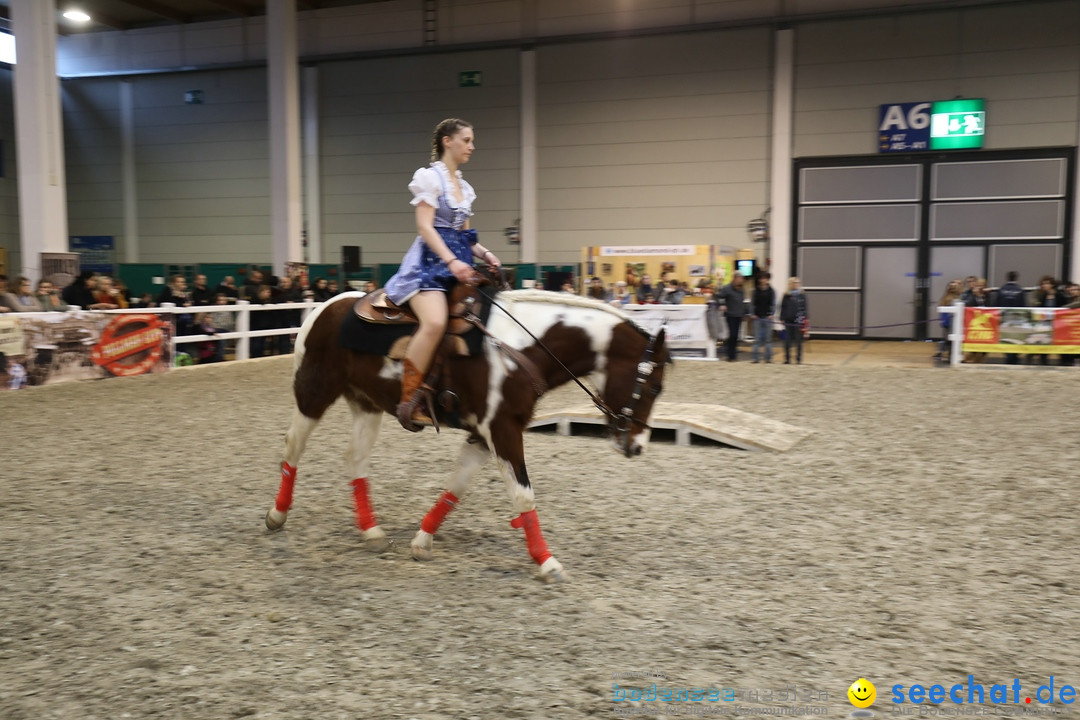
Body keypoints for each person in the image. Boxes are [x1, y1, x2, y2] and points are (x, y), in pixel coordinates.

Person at [382, 118, 501, 431]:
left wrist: (485, 254)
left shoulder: (464, 188)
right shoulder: (429, 178)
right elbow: (424, 226)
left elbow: (465, 236)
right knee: (434, 322)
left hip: (458, 264)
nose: (472, 146)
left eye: (472, 141)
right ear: (448, 141)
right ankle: (408, 399)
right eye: (466, 140)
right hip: (429, 266)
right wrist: (451, 262)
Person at [995, 271, 1026, 365]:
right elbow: (1023, 305)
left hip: (1005, 317)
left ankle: (1008, 355)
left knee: (1006, 337)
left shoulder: (1001, 289)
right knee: (1015, 337)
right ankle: (1014, 355)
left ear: (1007, 278)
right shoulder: (1020, 290)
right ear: (1016, 278)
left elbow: (997, 303)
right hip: (1016, 318)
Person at [716, 272, 747, 362]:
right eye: (740, 278)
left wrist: (744, 313)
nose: (742, 280)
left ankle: (733, 356)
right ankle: (730, 355)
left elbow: (742, 302)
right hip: (730, 315)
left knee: (736, 336)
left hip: (739, 315)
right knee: (732, 335)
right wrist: (721, 305)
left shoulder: (742, 289)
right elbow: (717, 296)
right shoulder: (727, 288)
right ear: (735, 278)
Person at [779, 277, 808, 365]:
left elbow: (805, 308)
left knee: (799, 341)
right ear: (790, 284)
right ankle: (787, 358)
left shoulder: (802, 295)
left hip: (798, 320)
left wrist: (805, 319)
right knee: (787, 340)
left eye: (796, 283)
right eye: (793, 283)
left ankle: (798, 359)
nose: (795, 284)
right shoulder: (786, 295)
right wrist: (782, 318)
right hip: (788, 320)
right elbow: (783, 307)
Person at [750, 272, 776, 363]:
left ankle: (768, 358)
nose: (763, 280)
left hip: (768, 318)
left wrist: (772, 314)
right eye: (761, 278)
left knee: (768, 340)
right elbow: (752, 304)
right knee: (757, 339)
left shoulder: (771, 291)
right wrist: (752, 314)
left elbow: (773, 304)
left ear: (767, 279)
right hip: (757, 318)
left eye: (764, 278)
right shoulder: (755, 291)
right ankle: (755, 358)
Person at [936, 279, 963, 360]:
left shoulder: (958, 297)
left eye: (954, 286)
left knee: (952, 338)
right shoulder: (946, 297)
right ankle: (944, 352)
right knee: (946, 337)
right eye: (951, 286)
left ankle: (951, 354)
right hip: (947, 320)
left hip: (954, 321)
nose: (952, 288)